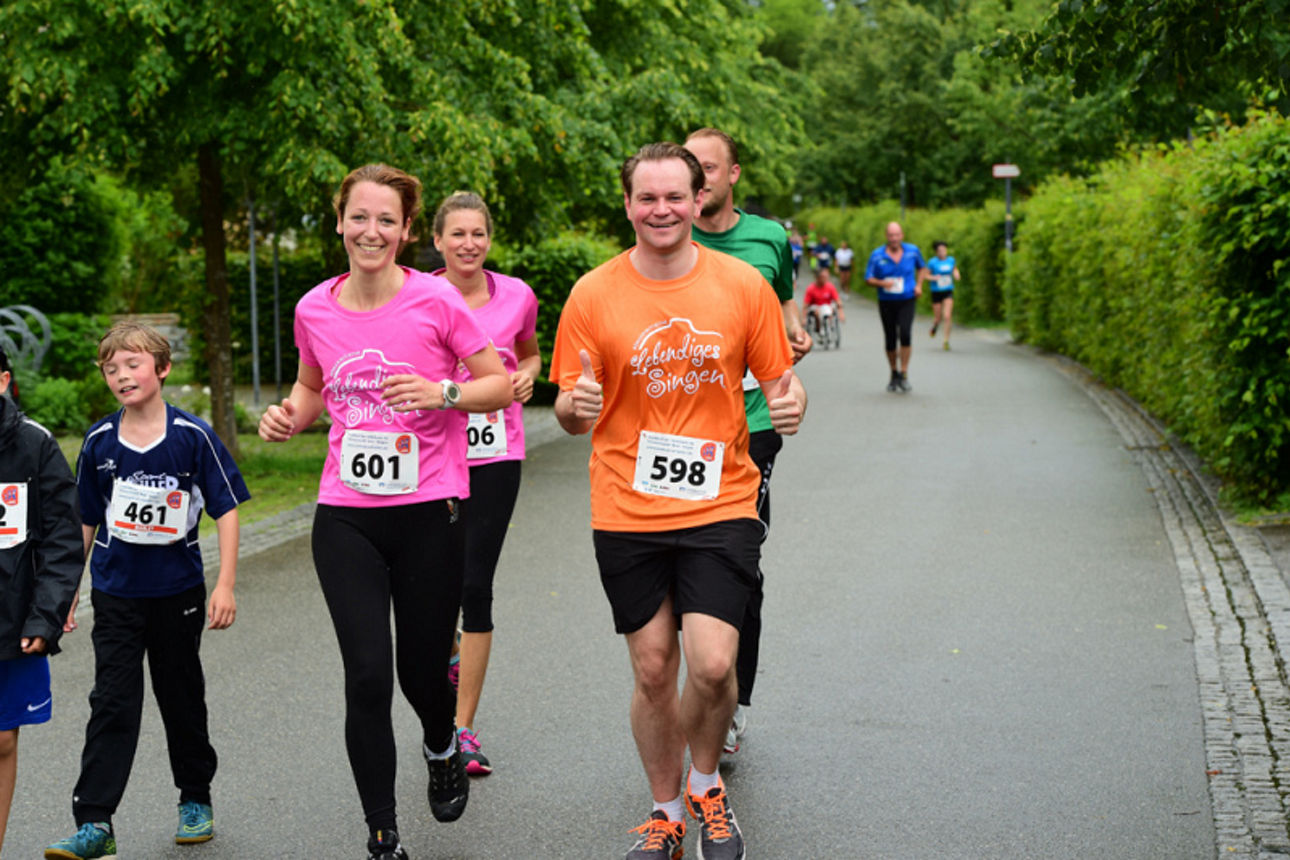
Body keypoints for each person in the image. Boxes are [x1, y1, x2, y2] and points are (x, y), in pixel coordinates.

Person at [551, 142, 806, 860]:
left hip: (721, 498)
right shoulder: (593, 294)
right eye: (646, 198)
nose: (660, 210)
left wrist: (794, 407)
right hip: (626, 506)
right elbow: (570, 411)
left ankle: (706, 786)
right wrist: (576, 405)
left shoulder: (740, 286)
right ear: (628, 204)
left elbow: (782, 384)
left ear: (699, 201)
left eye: (674, 197)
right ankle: (665, 815)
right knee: (655, 667)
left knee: (715, 663)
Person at [258, 164, 512, 860]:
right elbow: (312, 387)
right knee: (367, 673)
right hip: (346, 514)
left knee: (421, 674)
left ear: (405, 232)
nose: (371, 231)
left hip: (432, 509)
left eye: (387, 220)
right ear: (339, 221)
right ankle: (382, 836)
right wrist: (288, 415)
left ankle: (440, 741)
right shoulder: (314, 308)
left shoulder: (436, 302)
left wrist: (443, 395)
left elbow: (498, 383)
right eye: (359, 217)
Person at [46, 322, 248, 860]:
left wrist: (224, 583)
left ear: (161, 368)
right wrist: (66, 593)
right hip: (115, 593)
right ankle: (94, 821)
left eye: (132, 364)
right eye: (111, 369)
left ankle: (195, 798)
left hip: (178, 590)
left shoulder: (193, 436)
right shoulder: (97, 442)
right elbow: (85, 522)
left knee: (180, 696)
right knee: (111, 702)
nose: (121, 375)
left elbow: (225, 508)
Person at [685, 127, 809, 759]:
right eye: (689, 169)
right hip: (676, 428)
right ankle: (693, 676)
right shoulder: (665, 238)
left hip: (751, 424)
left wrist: (795, 336)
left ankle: (730, 699)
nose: (697, 180)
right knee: (675, 560)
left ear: (733, 175)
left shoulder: (767, 239)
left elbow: (785, 309)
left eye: (708, 169)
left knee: (739, 565)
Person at [430, 191, 540, 777]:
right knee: (434, 586)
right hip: (430, 457)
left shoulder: (517, 295)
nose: (468, 244)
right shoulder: (418, 295)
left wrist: (524, 378)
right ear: (438, 240)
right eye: (457, 235)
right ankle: (449, 650)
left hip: (497, 454)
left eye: (478, 234)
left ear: (488, 240)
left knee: (476, 584)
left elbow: (530, 354)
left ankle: (462, 729)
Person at [0, 345, 82, 856]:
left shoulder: (35, 446)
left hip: (12, 618)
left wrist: (47, 614)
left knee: (2, 741)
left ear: (4, 379)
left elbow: (61, 540)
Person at [864, 222, 926, 393]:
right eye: (891, 235)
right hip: (886, 301)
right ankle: (893, 372)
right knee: (891, 337)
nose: (894, 239)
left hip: (907, 299)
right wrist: (882, 283)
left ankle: (904, 373)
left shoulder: (912, 251)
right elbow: (868, 278)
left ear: (902, 235)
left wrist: (919, 285)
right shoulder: (877, 255)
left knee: (905, 334)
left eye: (897, 235)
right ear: (886, 236)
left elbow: (922, 268)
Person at [926, 240, 960, 350]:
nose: (942, 252)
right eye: (940, 251)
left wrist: (956, 274)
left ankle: (946, 340)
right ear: (936, 252)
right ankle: (935, 326)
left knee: (947, 316)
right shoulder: (932, 262)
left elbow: (954, 270)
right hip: (936, 292)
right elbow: (925, 275)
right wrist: (933, 278)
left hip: (947, 291)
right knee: (938, 318)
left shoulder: (951, 260)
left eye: (944, 250)